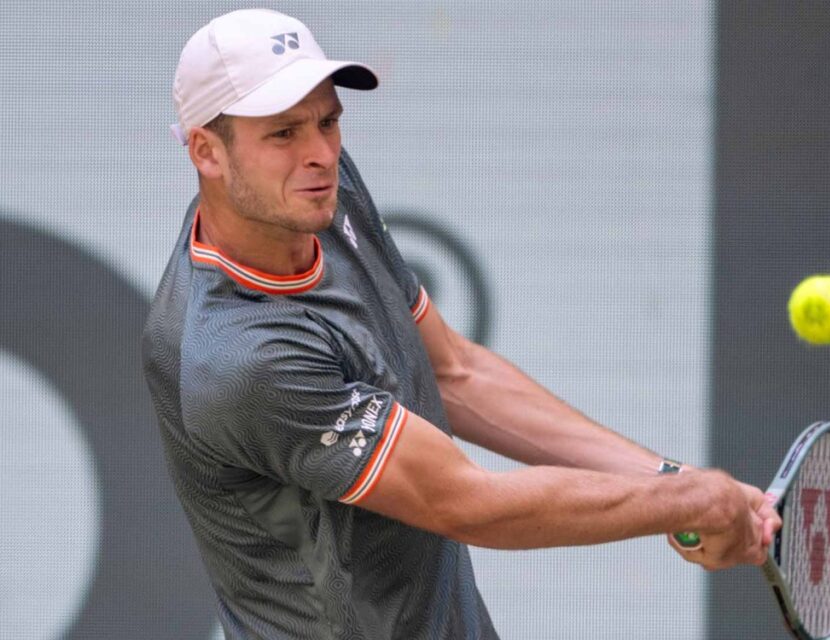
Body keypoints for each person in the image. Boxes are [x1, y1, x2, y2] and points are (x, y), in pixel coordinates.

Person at [143, 9, 781, 640]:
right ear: (207, 152)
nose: (321, 154)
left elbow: (453, 372)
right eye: (283, 133)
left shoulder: (312, 197)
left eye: (329, 121)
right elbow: (468, 503)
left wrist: (673, 482)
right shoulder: (239, 358)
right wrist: (691, 501)